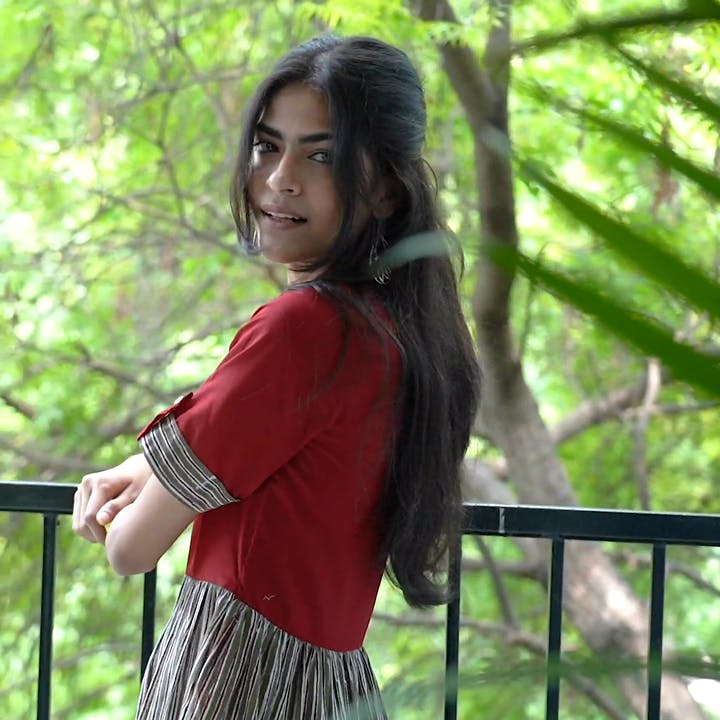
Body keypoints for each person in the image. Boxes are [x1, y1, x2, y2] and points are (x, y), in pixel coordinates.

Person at [73, 35, 480, 720]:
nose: (280, 178)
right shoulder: (395, 329)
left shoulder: (303, 332)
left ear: (382, 187)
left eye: (320, 155)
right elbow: (255, 448)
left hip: (238, 686)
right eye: (268, 145)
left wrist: (132, 498)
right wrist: (142, 468)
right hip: (330, 689)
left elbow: (130, 548)